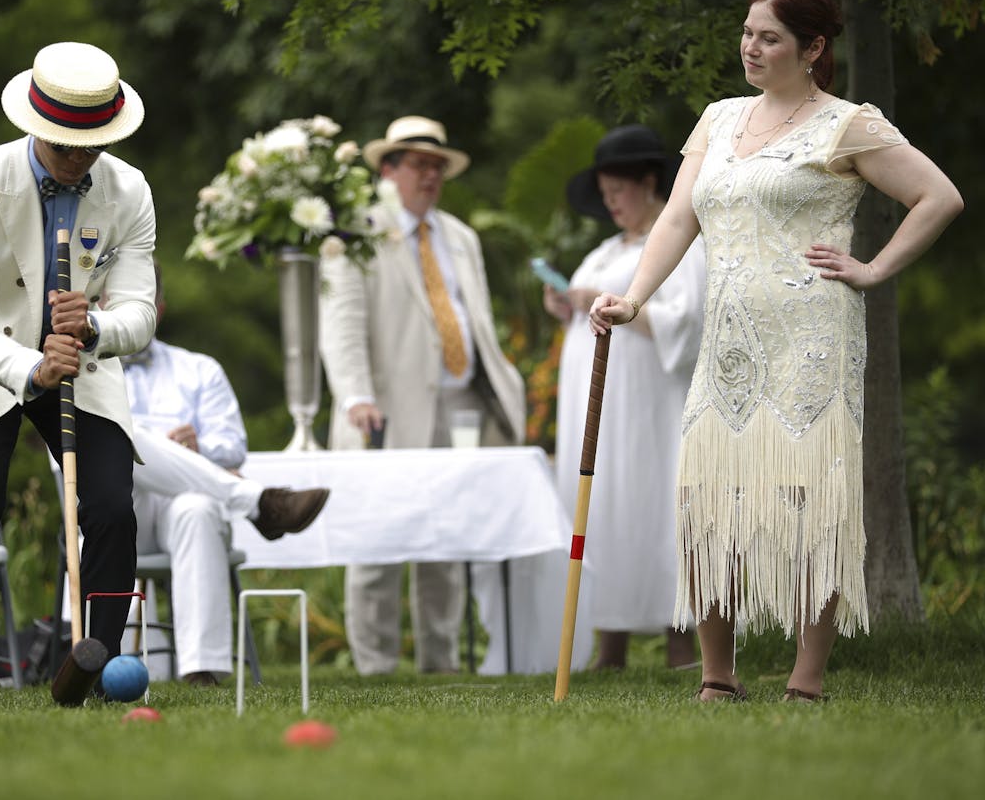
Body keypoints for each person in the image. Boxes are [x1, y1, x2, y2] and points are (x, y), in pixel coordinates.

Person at [588, 0, 964, 702]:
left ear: (813, 47)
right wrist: (635, 298)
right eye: (748, 32)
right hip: (728, 338)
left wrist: (874, 267)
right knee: (707, 496)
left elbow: (939, 196)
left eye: (769, 37)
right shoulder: (719, 118)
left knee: (808, 496)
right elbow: (676, 221)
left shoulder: (846, 124)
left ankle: (806, 678)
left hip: (811, 336)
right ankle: (717, 676)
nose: (750, 48)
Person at [0, 41, 157, 708]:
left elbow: (140, 312)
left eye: (94, 145)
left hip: (83, 361)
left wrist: (93, 330)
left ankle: (95, 674)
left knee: (111, 503)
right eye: (65, 147)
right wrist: (33, 365)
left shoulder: (130, 190)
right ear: (35, 127)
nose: (81, 159)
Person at [320, 115, 527, 675]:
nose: (430, 175)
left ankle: (442, 660)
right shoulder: (355, 228)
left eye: (437, 166)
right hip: (383, 409)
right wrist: (356, 397)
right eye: (418, 164)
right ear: (388, 170)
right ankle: (375, 665)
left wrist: (503, 392)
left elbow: (474, 321)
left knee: (447, 535)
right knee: (378, 538)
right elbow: (341, 324)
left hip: (460, 405)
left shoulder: (460, 237)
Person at [545, 124, 707, 671]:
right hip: (597, 407)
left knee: (655, 502)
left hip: (648, 402)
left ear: (647, 182)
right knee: (603, 505)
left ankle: (680, 637)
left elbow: (686, 323)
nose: (610, 201)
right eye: (605, 192)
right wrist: (570, 304)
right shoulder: (604, 251)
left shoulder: (679, 241)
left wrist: (608, 303)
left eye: (619, 190)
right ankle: (609, 638)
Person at [121, 263, 329, 686]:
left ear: (158, 310)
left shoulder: (199, 369)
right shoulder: (85, 372)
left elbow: (233, 446)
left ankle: (202, 668)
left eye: (140, 303)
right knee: (124, 436)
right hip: (116, 509)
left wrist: (200, 448)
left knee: (198, 507)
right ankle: (257, 502)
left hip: (182, 508)